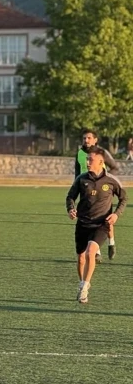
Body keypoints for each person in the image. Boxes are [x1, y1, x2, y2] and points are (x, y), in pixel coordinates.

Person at [66, 146, 127, 304]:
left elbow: (123, 198)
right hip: (83, 223)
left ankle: (85, 287)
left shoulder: (111, 180)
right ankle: (82, 283)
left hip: (101, 224)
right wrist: (71, 209)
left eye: (91, 160)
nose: (87, 162)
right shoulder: (81, 179)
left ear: (101, 162)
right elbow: (70, 197)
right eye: (87, 159)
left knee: (90, 252)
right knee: (81, 258)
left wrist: (116, 214)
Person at [76, 129, 120, 260]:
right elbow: (77, 173)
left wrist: (108, 181)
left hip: (103, 190)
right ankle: (96, 252)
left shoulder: (102, 153)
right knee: (89, 219)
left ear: (95, 140)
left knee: (105, 219)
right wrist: (77, 188)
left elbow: (114, 167)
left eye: (89, 138)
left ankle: (111, 242)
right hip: (86, 189)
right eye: (84, 138)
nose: (86, 140)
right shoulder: (79, 153)